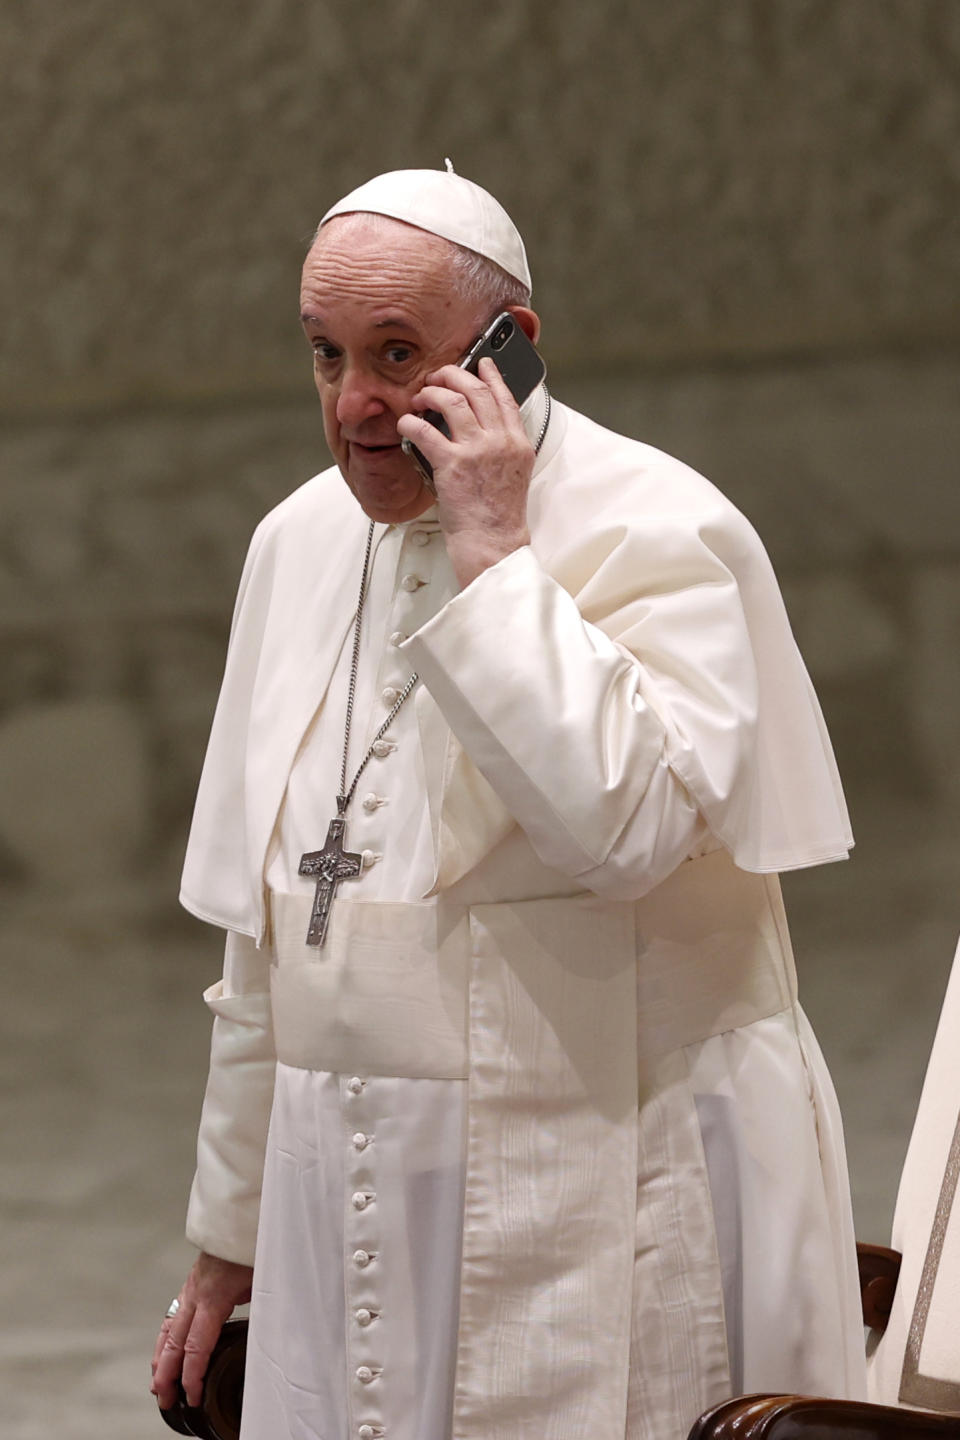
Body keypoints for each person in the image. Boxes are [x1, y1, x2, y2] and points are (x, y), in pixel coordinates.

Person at [152, 166, 867, 1440]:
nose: (355, 405)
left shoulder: (661, 526)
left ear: (510, 349)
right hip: (353, 1203)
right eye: (326, 356)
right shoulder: (296, 543)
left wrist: (496, 562)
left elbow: (626, 835)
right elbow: (264, 944)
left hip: (618, 1174)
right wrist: (226, 1229)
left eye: (396, 354)